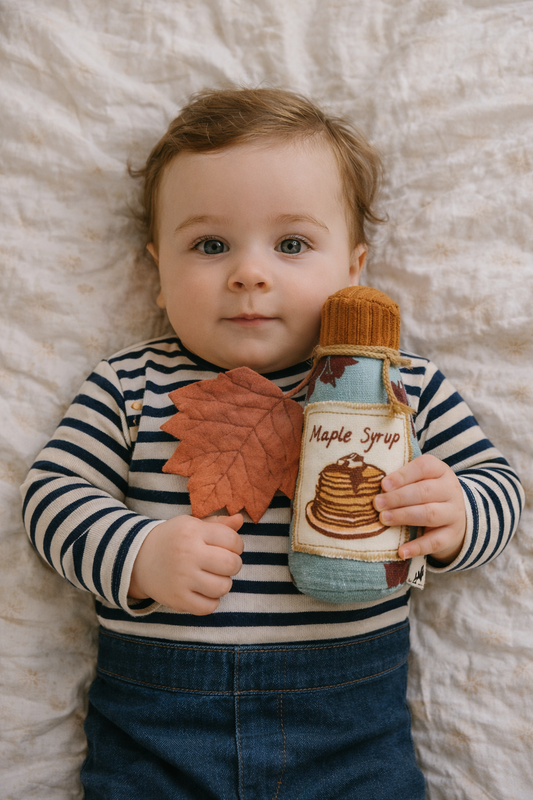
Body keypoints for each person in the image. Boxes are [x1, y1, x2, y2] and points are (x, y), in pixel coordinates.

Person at [20, 88, 523, 799]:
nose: (249, 273)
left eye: (291, 244)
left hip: (348, 723)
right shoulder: (132, 384)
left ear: (353, 268)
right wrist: (137, 554)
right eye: (209, 245)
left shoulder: (397, 387)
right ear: (157, 272)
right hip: (159, 726)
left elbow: (499, 486)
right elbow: (50, 499)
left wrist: (456, 512)